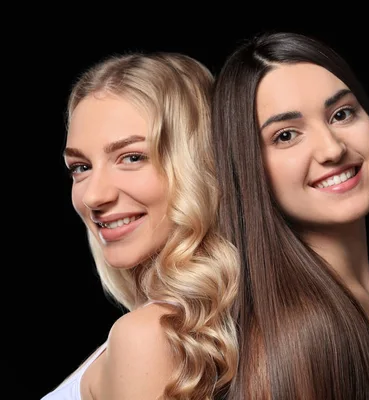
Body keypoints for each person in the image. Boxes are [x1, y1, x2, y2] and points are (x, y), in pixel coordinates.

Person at [211, 31, 369, 400]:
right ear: (246, 166)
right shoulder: (306, 334)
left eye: (341, 114)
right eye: (287, 135)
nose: (331, 149)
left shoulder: (351, 304)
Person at [42, 52, 240, 400]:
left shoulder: (147, 336)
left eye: (131, 157)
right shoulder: (169, 327)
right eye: (80, 167)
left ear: (199, 163)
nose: (93, 196)